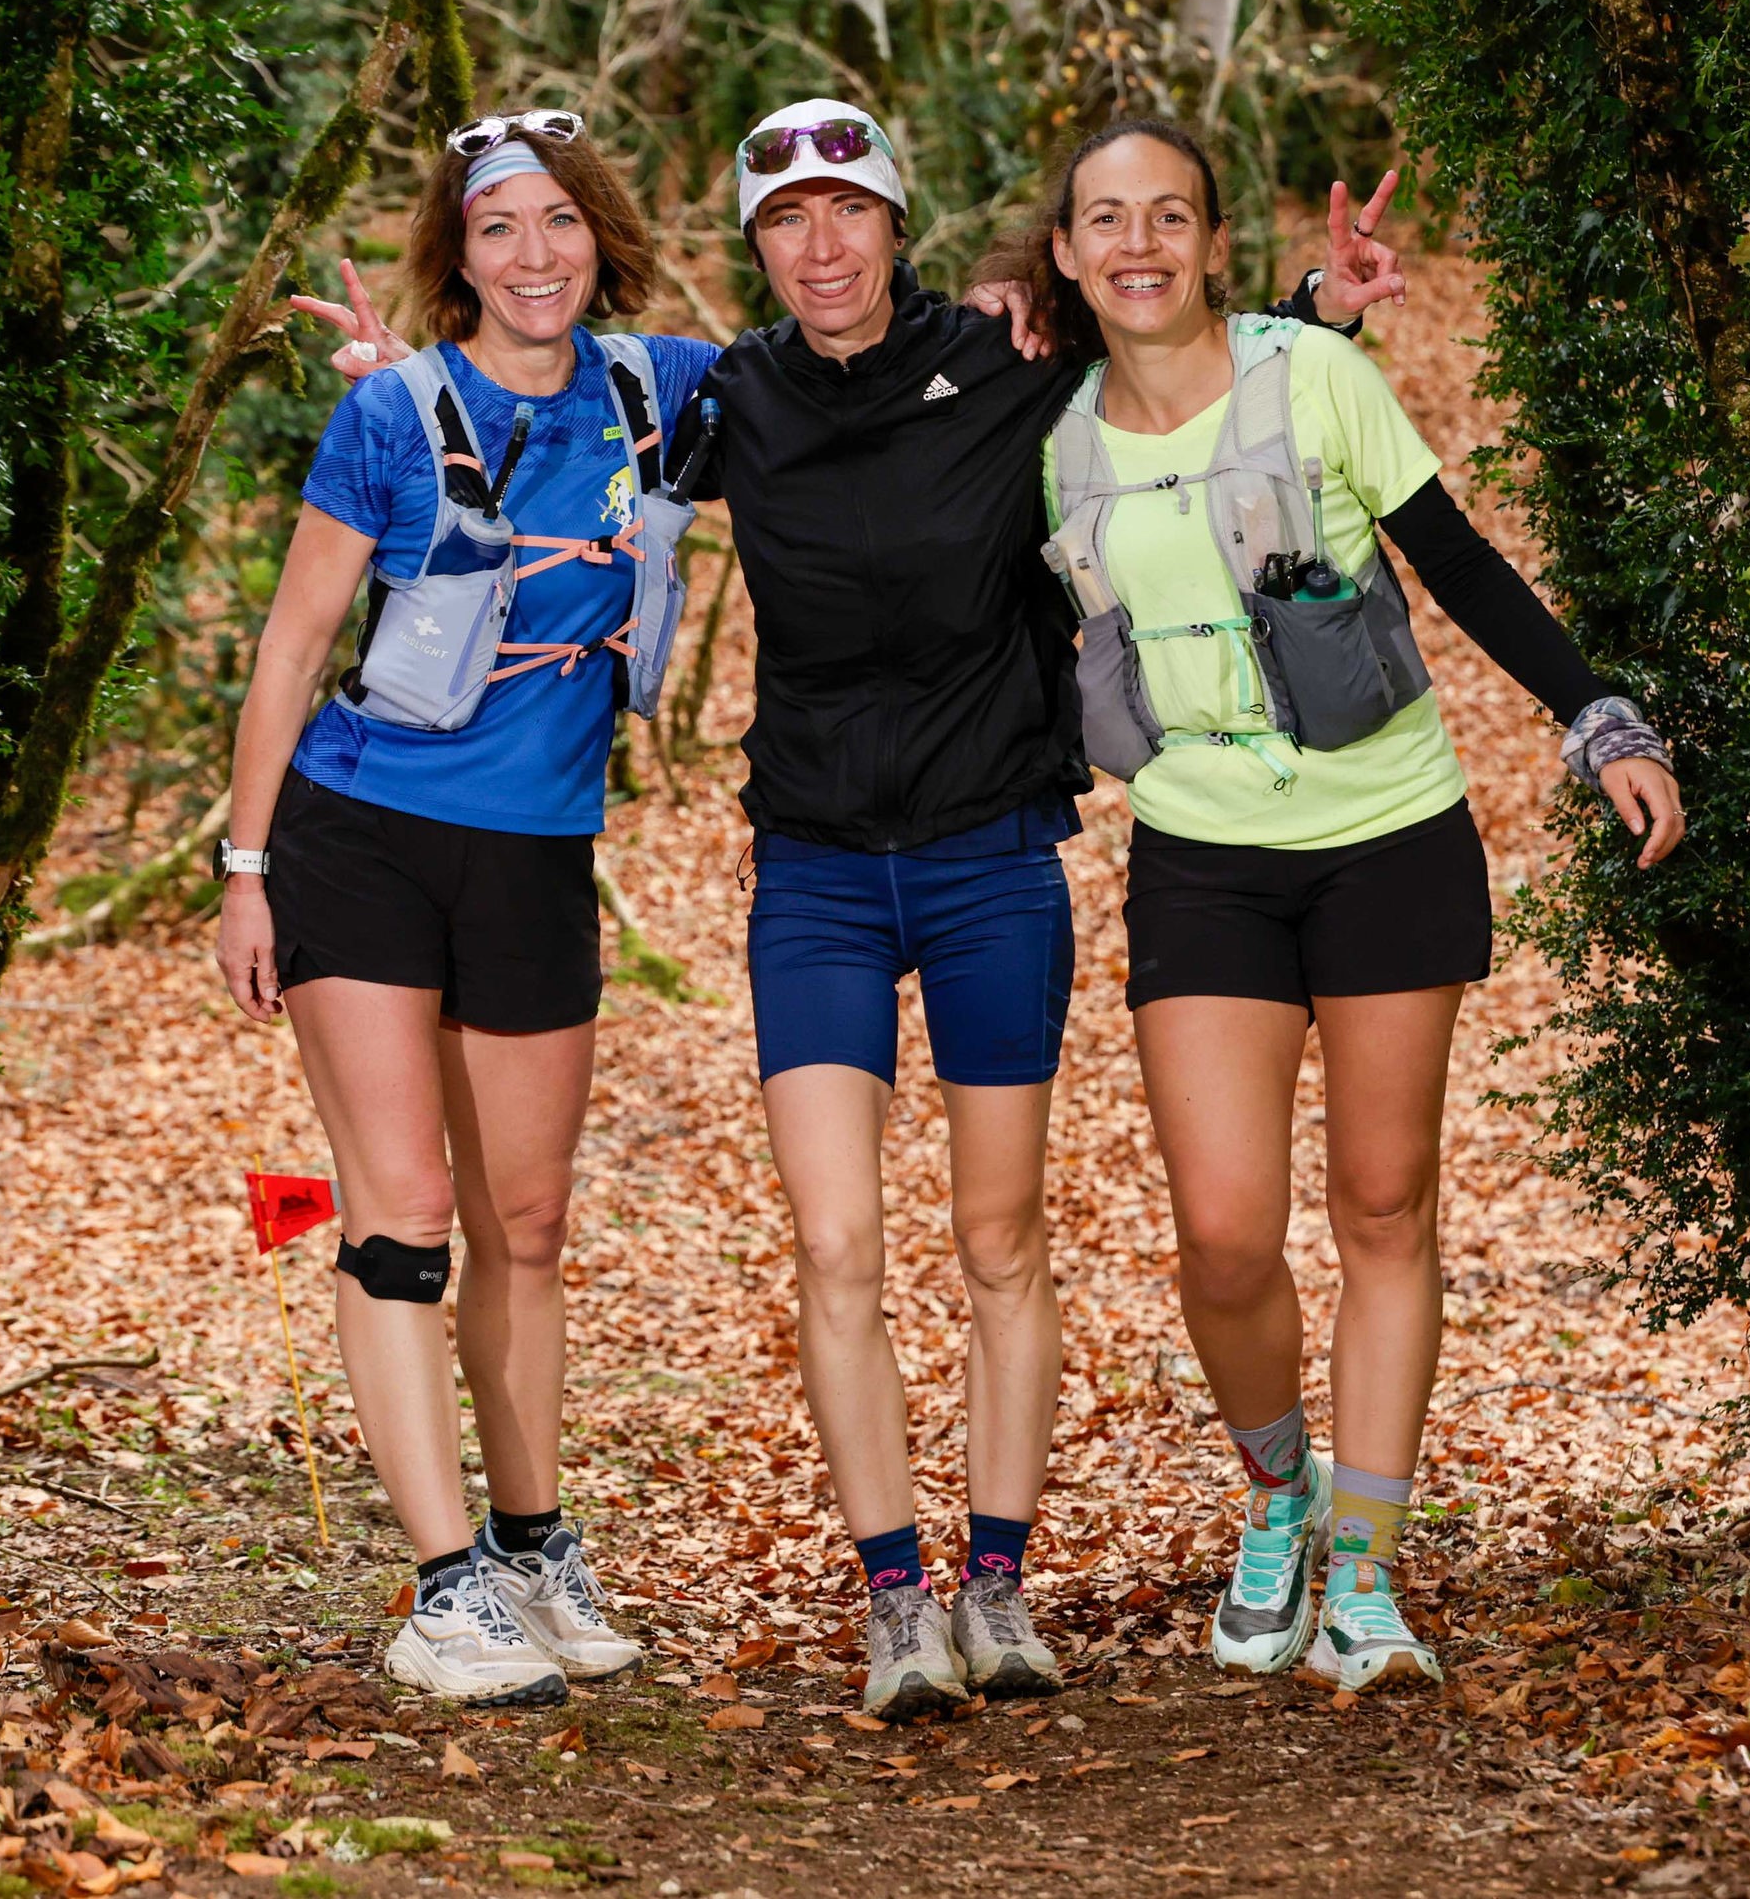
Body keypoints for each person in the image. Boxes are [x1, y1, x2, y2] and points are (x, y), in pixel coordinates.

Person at [687, 100, 1406, 1717]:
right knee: (835, 1242)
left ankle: (996, 1585)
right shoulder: (727, 395)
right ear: (756, 249)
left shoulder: (1010, 360)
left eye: (847, 212)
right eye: (786, 221)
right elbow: (551, 409)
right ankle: (893, 1601)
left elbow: (1175, 369)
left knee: (998, 1238)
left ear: (894, 222)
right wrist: (414, 394)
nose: (821, 247)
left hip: (988, 861)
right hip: (810, 875)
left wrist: (1311, 307)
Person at [988, 116, 1684, 1694]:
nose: (1139, 244)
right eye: (1107, 220)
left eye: (1168, 215)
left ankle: (1362, 1566)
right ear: (1070, 252)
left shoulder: (1317, 380)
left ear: (1210, 244)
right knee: (1224, 1236)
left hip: (1389, 831)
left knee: (1383, 1208)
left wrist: (1599, 721)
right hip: (1198, 848)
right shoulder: (1048, 430)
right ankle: (1278, 1492)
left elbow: (1460, 563)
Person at [214, 110, 720, 1705]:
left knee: (528, 1223)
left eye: (558, 222)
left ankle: (528, 1544)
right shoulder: (393, 419)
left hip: (534, 855)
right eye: (498, 230)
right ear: (457, 257)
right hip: (357, 838)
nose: (533, 256)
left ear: (600, 236)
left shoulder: (667, 392)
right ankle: (442, 1591)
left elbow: (866, 365)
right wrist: (243, 870)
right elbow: (293, 649)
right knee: (403, 1209)